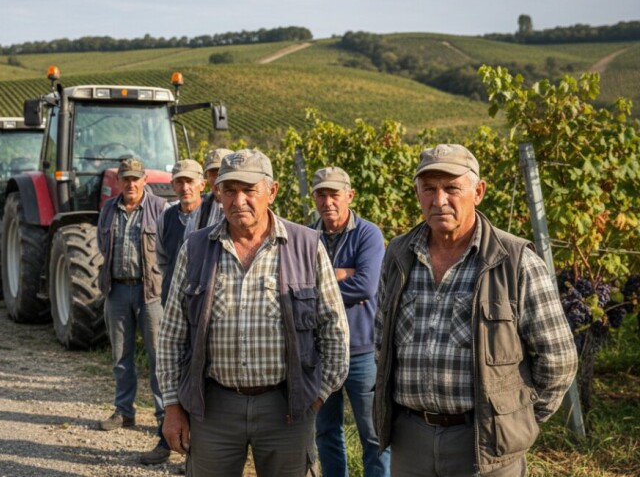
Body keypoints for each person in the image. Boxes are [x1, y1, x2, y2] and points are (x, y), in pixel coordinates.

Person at [373, 144, 578, 476]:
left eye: (451, 188)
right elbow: (381, 340)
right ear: (417, 193)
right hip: (410, 438)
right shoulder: (398, 254)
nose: (439, 200)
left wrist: (516, 418)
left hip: (485, 444)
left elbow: (559, 359)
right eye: (429, 189)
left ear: (478, 191)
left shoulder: (516, 261)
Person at [157, 149, 350, 477]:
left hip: (287, 409)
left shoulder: (305, 246)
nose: (238, 200)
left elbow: (335, 332)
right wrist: (173, 405)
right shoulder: (196, 247)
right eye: (229, 190)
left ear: (271, 191)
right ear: (217, 193)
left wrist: (315, 399)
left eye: (249, 190)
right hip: (213, 408)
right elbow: (172, 335)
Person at [309, 167, 390, 477]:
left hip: (362, 352)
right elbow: (297, 289)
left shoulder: (369, 233)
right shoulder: (307, 235)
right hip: (321, 353)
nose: (328, 201)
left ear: (350, 196)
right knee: (326, 432)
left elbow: (367, 286)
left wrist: (321, 284)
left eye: (334, 194)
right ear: (314, 197)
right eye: (321, 194)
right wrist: (344, 274)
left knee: (374, 435)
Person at [96, 158, 170, 465]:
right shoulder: (109, 209)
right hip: (117, 289)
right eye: (125, 179)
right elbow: (103, 245)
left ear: (144, 180)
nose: (130, 184)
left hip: (149, 292)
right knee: (120, 356)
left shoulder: (159, 209)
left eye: (135, 179)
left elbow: (167, 247)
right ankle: (124, 411)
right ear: (118, 181)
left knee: (157, 358)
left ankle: (165, 417)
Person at [156, 159, 207, 306]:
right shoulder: (165, 217)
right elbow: (162, 259)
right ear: (173, 185)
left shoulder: (213, 216)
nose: (185, 188)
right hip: (172, 298)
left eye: (189, 181)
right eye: (179, 182)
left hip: (204, 300)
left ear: (202, 185)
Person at [193, 148, 234, 229]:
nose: (217, 179)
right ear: (207, 177)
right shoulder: (201, 206)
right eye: (213, 174)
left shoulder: (244, 206)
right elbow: (190, 239)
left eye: (222, 173)